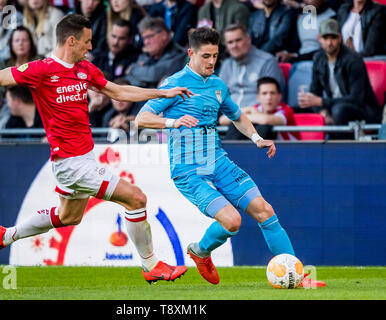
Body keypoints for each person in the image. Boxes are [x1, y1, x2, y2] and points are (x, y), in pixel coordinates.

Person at [0, 14, 191, 283]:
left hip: (83, 159)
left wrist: (161, 93)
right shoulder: (42, 70)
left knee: (68, 216)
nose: (91, 47)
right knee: (137, 199)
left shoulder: (84, 69)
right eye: (87, 42)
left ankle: (5, 235)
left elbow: (118, 92)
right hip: (71, 163)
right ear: (71, 41)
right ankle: (151, 265)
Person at [135, 27, 325, 287]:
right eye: (205, 56)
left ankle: (298, 276)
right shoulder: (173, 85)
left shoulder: (218, 85)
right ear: (191, 53)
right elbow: (141, 118)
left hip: (219, 162)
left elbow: (237, 116)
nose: (212, 61)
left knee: (264, 210)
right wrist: (173, 122)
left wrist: (257, 138)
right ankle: (200, 251)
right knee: (233, 221)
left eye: (215, 55)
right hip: (188, 171)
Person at [298, 19, 381, 138]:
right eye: (325, 38)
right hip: (334, 106)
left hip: (364, 111)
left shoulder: (353, 60)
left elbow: (356, 98)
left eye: (333, 38)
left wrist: (322, 102)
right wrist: (322, 111)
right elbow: (314, 93)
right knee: (296, 109)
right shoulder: (318, 58)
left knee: (339, 110)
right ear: (319, 39)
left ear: (340, 38)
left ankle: (341, 150)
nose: (329, 43)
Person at [219, 23, 285, 111]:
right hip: (228, 117)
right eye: (230, 42)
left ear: (248, 40)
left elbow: (272, 98)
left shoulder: (267, 61)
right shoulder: (227, 64)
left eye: (238, 40)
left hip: (256, 117)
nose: (234, 45)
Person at [223, 77, 300, 140]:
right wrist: (247, 111)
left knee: (264, 127)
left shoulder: (286, 110)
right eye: (264, 93)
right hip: (269, 151)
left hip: (290, 151)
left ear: (279, 96)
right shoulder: (255, 108)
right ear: (258, 97)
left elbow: (266, 120)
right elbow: (223, 120)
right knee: (236, 125)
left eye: (272, 93)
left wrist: (242, 116)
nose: (269, 97)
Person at [125, 16, 187, 88]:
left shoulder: (179, 54)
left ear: (163, 35)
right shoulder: (146, 54)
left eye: (149, 37)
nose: (146, 42)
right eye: (144, 38)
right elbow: (129, 79)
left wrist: (133, 68)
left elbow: (154, 74)